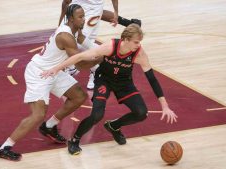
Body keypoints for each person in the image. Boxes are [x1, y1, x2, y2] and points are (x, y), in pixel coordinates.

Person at [40, 24, 178, 155]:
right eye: (136, 42)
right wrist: (56, 68)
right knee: (97, 115)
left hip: (124, 83)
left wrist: (164, 105)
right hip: (104, 80)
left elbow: (152, 78)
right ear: (126, 39)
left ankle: (114, 126)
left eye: (140, 42)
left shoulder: (139, 53)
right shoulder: (111, 46)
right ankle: (74, 140)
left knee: (141, 113)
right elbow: (81, 56)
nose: (139, 45)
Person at [0, 4, 95, 161]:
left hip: (54, 71)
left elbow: (83, 39)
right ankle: (4, 147)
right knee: (37, 115)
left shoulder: (75, 29)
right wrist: (100, 59)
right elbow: (79, 64)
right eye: (80, 17)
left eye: (84, 15)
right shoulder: (66, 36)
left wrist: (100, 49)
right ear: (70, 19)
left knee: (78, 96)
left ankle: (48, 127)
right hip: (39, 73)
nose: (84, 19)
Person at [59, 0, 142, 90]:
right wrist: (60, 25)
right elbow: (66, 2)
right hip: (77, 4)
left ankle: (98, 66)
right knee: (70, 37)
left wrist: (116, 12)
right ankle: (101, 62)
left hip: (93, 8)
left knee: (80, 41)